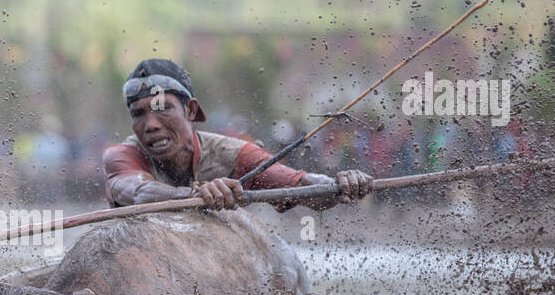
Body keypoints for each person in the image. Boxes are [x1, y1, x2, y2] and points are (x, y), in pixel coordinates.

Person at [104, 59, 372, 211]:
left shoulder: (235, 153)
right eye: (138, 114)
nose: (150, 125)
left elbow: (301, 186)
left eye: (162, 110)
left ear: (190, 110)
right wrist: (195, 195)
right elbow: (136, 192)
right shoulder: (123, 155)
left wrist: (340, 184)